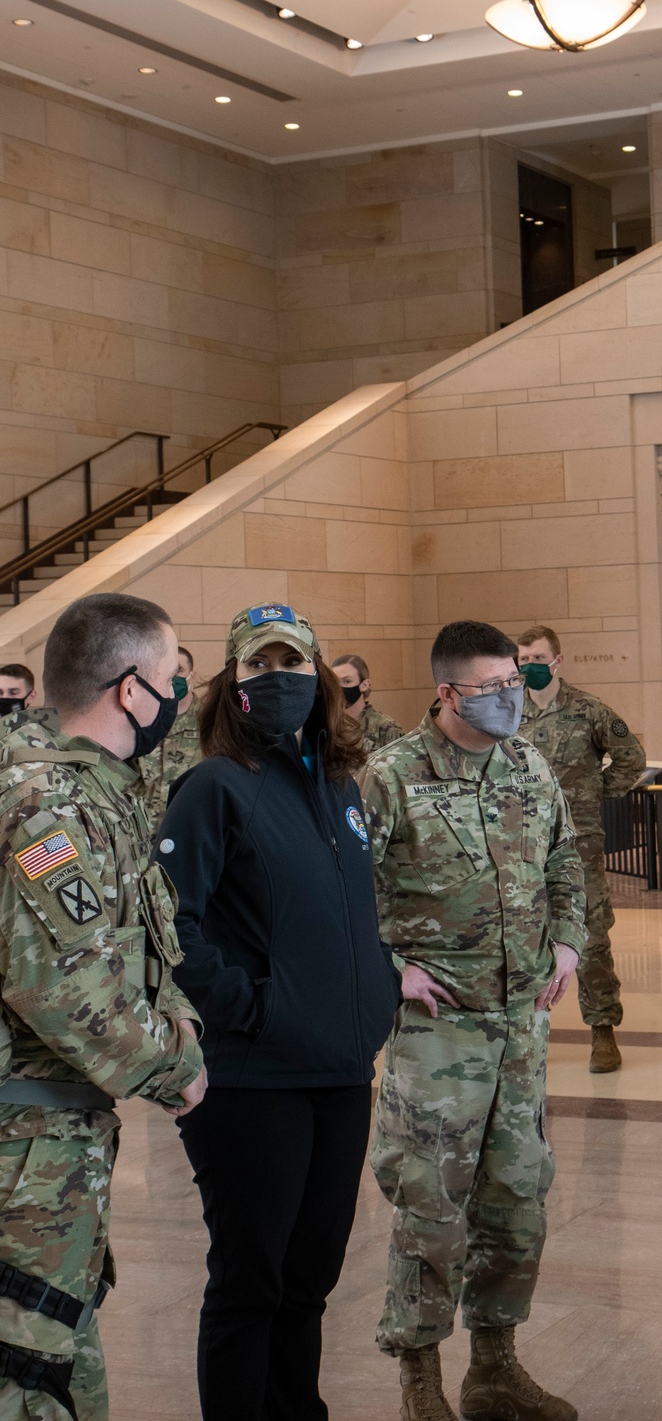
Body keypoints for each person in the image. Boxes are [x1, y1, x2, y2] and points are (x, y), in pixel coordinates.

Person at [155, 602, 401, 1421]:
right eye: (259, 667)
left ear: (321, 679)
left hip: (339, 1070)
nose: (280, 680)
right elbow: (171, 927)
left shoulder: (339, 789)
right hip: (254, 1077)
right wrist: (255, 1009)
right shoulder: (214, 788)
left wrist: (382, 987)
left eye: (294, 665)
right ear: (232, 684)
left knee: (309, 1281)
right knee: (252, 1282)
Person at [362, 619, 586, 1421]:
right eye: (491, 690)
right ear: (447, 692)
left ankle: (495, 1366)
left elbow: (564, 859)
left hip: (521, 1022)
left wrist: (567, 942)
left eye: (516, 685)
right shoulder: (388, 777)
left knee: (518, 1198)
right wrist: (394, 970)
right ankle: (418, 1378)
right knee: (430, 1202)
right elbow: (347, 898)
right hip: (438, 1030)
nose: (510, 702)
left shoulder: (528, 764)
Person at [0, 592, 206, 1421]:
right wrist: (176, 1066)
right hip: (24, 1150)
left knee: (62, 1362)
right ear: (132, 688)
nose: (178, 697)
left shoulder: (101, 790)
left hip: (63, 1139)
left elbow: (144, 942)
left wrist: (179, 1017)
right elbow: (61, 988)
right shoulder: (42, 805)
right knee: (28, 1373)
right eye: (172, 677)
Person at [517, 626, 645, 1074]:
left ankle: (603, 1029)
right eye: (523, 657)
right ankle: (528, 1033)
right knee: (525, 937)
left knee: (589, 938)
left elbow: (632, 757)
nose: (528, 664)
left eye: (537, 656)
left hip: (578, 845)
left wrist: (593, 794)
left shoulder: (588, 710)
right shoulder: (510, 713)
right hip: (523, 845)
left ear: (557, 660)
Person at [138, 645, 201, 828]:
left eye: (179, 671)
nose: (173, 678)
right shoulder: (143, 722)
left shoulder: (212, 722)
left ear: (192, 676)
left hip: (189, 833)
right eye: (167, 672)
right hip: (144, 838)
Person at [331, 653, 403, 754]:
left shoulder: (386, 728)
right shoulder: (329, 725)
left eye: (347, 681)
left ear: (364, 685)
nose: (339, 688)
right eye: (335, 682)